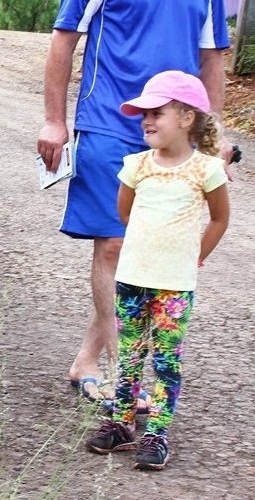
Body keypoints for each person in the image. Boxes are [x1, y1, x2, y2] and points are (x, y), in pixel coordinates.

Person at [35, 0, 232, 404]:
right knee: (116, 245)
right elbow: (64, 39)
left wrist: (210, 140)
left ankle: (86, 359)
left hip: (180, 137)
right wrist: (55, 120)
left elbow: (213, 56)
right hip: (110, 125)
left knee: (156, 253)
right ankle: (129, 375)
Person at [84, 71, 228, 469]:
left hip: (174, 286)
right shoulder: (136, 165)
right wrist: (146, 249)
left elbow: (219, 219)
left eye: (156, 112)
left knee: (166, 360)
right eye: (143, 113)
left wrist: (193, 255)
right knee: (130, 355)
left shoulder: (206, 170)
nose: (146, 120)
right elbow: (125, 212)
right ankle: (121, 424)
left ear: (186, 117)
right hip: (133, 278)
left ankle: (157, 432)